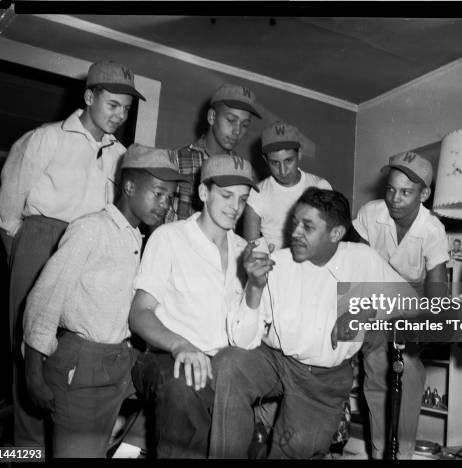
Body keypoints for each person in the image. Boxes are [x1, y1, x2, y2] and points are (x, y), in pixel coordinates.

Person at [0, 59, 145, 449]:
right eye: (112, 104)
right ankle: (26, 452)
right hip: (41, 239)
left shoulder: (121, 156)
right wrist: (24, 258)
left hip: (92, 253)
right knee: (30, 360)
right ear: (89, 96)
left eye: (126, 109)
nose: (120, 115)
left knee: (65, 358)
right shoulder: (45, 139)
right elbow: (6, 211)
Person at [209, 188, 415, 459]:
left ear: (336, 234)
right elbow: (243, 342)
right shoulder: (278, 263)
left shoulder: (362, 260)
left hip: (322, 380)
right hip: (274, 360)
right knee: (230, 364)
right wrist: (255, 288)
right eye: (295, 222)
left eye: (307, 227)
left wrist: (365, 311)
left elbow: (412, 303)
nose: (295, 233)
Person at [21, 144, 184, 457]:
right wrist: (33, 376)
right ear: (129, 186)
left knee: (177, 383)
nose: (166, 204)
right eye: (159, 193)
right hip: (83, 366)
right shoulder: (91, 229)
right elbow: (43, 301)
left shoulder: (142, 240)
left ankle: (123, 448)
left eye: (171, 196)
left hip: (123, 362)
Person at [128, 155, 258, 458]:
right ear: (203, 193)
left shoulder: (244, 250)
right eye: (226, 196)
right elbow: (139, 313)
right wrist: (180, 345)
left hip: (223, 366)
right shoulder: (169, 237)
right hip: (167, 357)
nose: (235, 207)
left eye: (243, 199)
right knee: (184, 386)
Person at [352, 151, 449, 459]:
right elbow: (353, 268)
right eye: (391, 189)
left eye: (406, 192)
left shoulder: (432, 231)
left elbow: (436, 300)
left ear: (425, 194)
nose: (394, 198)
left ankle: (399, 454)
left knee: (404, 367)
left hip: (411, 309)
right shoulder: (370, 213)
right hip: (371, 301)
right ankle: (383, 453)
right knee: (378, 364)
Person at [165, 83, 261, 223]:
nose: (237, 131)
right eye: (231, 120)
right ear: (212, 117)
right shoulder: (176, 160)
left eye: (244, 125)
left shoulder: (245, 173)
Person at [243, 121, 332, 249]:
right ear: (265, 160)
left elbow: (327, 240)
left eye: (288, 160)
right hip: (274, 265)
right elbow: (252, 248)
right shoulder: (257, 193)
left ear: (299, 154)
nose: (283, 171)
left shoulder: (321, 187)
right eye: (275, 163)